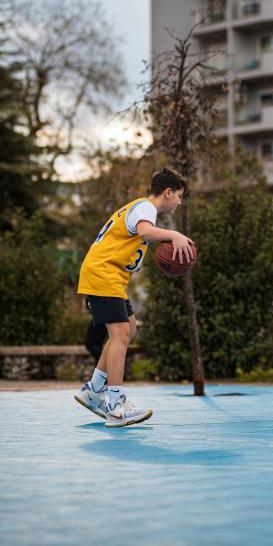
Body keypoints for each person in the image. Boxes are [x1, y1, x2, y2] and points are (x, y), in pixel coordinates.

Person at [75, 167, 194, 427]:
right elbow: (146, 233)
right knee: (119, 336)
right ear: (168, 192)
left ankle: (94, 390)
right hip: (104, 273)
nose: (179, 202)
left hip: (111, 277)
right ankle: (116, 406)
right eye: (179, 196)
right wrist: (174, 235)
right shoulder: (145, 208)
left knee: (128, 328)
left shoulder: (140, 208)